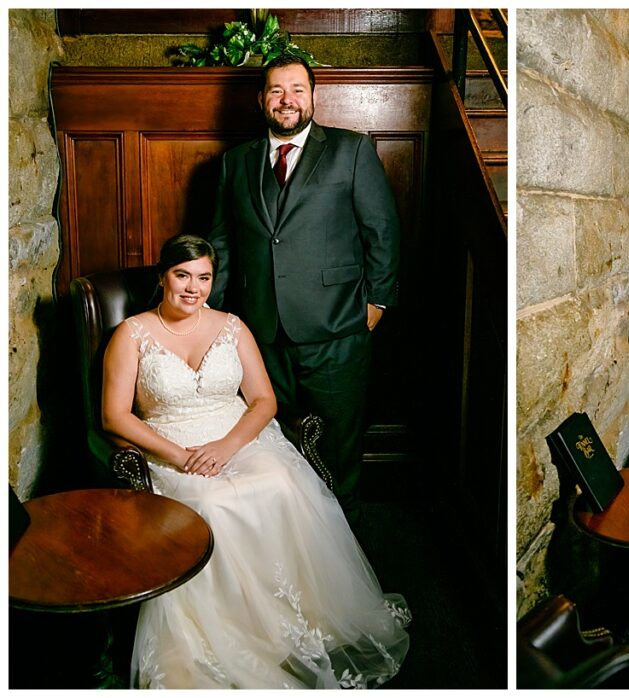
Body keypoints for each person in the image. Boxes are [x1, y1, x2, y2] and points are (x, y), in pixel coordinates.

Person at [102, 234, 410, 688]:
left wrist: (228, 446)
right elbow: (114, 416)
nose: (194, 288)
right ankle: (231, 632)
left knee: (281, 485)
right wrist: (181, 456)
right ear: (163, 277)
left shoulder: (232, 326)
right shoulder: (133, 334)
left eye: (204, 278)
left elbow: (264, 400)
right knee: (212, 506)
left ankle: (290, 617)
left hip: (238, 436)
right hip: (171, 445)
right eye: (183, 275)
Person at [206, 55, 400, 521]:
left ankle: (347, 563)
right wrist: (211, 319)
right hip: (261, 336)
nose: (286, 99)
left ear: (313, 96)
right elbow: (223, 243)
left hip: (337, 330)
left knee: (337, 454)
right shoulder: (236, 163)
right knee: (275, 453)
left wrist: (376, 303)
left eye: (296, 89)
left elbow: (383, 230)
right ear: (262, 100)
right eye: (276, 90)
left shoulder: (351, 151)